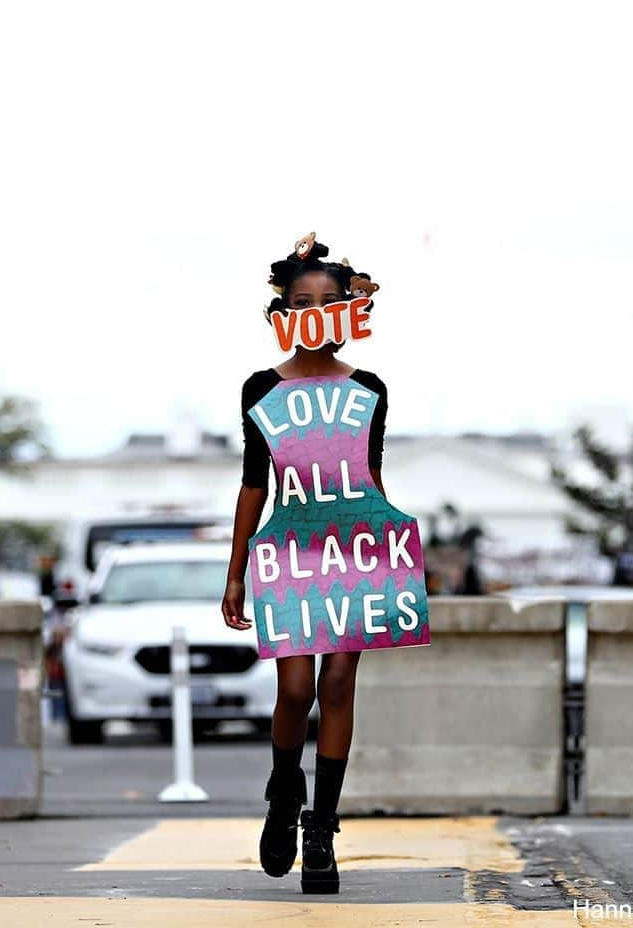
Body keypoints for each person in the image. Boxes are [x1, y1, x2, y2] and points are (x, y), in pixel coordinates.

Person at [222, 233, 422, 895]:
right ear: (283, 311)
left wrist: (400, 559)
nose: (314, 312)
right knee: (296, 691)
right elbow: (256, 481)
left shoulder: (369, 389)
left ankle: (322, 828)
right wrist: (235, 570)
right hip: (290, 549)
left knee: (338, 686)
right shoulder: (260, 388)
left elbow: (372, 477)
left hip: (355, 548)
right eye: (301, 301)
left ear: (349, 310)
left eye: (327, 301)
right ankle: (284, 791)